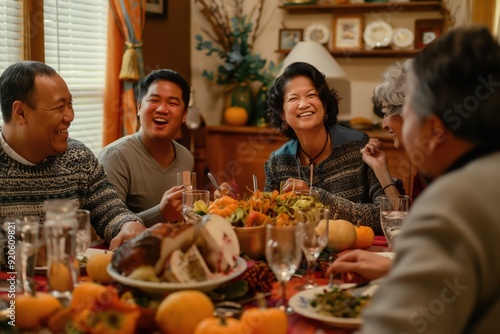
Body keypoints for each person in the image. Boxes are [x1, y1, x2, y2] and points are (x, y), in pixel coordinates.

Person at [331, 26, 500, 332]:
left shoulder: (454, 203)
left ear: (435, 130)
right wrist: (399, 266)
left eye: (406, 111)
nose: (390, 128)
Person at [0, 61, 145, 261]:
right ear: (21, 113)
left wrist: (129, 225)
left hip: (70, 282)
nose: (70, 116)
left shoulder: (77, 157)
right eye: (59, 107)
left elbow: (111, 209)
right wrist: (32, 249)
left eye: (70, 104)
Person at [264, 62, 384, 235]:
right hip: (300, 254)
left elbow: (383, 216)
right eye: (293, 98)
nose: (303, 104)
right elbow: (269, 219)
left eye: (311, 95)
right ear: (282, 114)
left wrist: (316, 196)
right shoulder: (277, 162)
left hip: (355, 253)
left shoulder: (359, 146)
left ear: (325, 105)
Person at [98, 69, 193, 227]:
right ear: (139, 107)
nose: (162, 109)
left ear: (184, 115)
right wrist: (160, 213)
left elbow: (185, 214)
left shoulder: (185, 157)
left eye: (172, 103)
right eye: (154, 100)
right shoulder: (115, 156)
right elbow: (108, 224)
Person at [362, 58, 426, 201]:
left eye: (387, 113)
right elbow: (407, 219)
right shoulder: (426, 161)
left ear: (408, 112)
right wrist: (381, 170)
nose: (384, 125)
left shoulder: (438, 166)